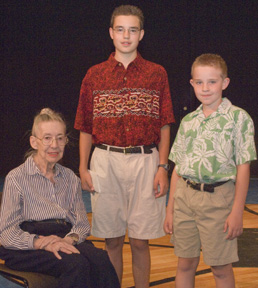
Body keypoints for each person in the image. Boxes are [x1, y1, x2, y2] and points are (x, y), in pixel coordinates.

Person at [74, 5, 175, 287]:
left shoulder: (157, 74)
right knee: (113, 240)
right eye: (120, 29)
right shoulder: (94, 75)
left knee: (141, 241)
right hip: (106, 161)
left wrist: (162, 167)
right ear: (111, 33)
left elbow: (165, 124)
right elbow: (84, 125)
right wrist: (83, 167)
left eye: (132, 29)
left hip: (146, 161)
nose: (126, 35)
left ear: (141, 34)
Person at [164, 53, 257, 287]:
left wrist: (237, 211)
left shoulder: (239, 119)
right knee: (185, 264)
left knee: (220, 268)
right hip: (184, 198)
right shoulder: (188, 122)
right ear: (192, 84)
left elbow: (243, 167)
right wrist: (170, 209)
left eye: (212, 82)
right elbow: (177, 168)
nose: (205, 88)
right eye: (199, 82)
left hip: (218, 201)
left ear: (225, 83)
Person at [0, 108, 120, 288]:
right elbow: (7, 233)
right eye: (47, 138)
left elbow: (81, 223)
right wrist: (41, 242)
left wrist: (68, 240)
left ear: (66, 141)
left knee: (101, 260)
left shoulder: (70, 178)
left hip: (63, 235)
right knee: (76, 265)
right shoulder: (16, 178)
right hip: (28, 242)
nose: (54, 145)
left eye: (60, 138)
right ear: (34, 142)